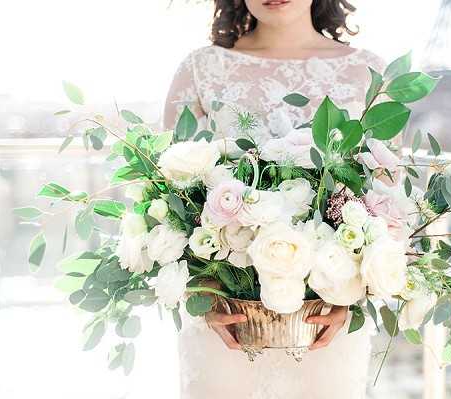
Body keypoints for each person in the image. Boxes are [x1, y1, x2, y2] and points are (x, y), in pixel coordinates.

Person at [162, 1, 389, 397]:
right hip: (224, 317)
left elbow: (386, 202)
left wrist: (353, 295)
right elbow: (167, 196)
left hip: (326, 317)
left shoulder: (367, 73)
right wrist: (201, 293)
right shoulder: (201, 68)